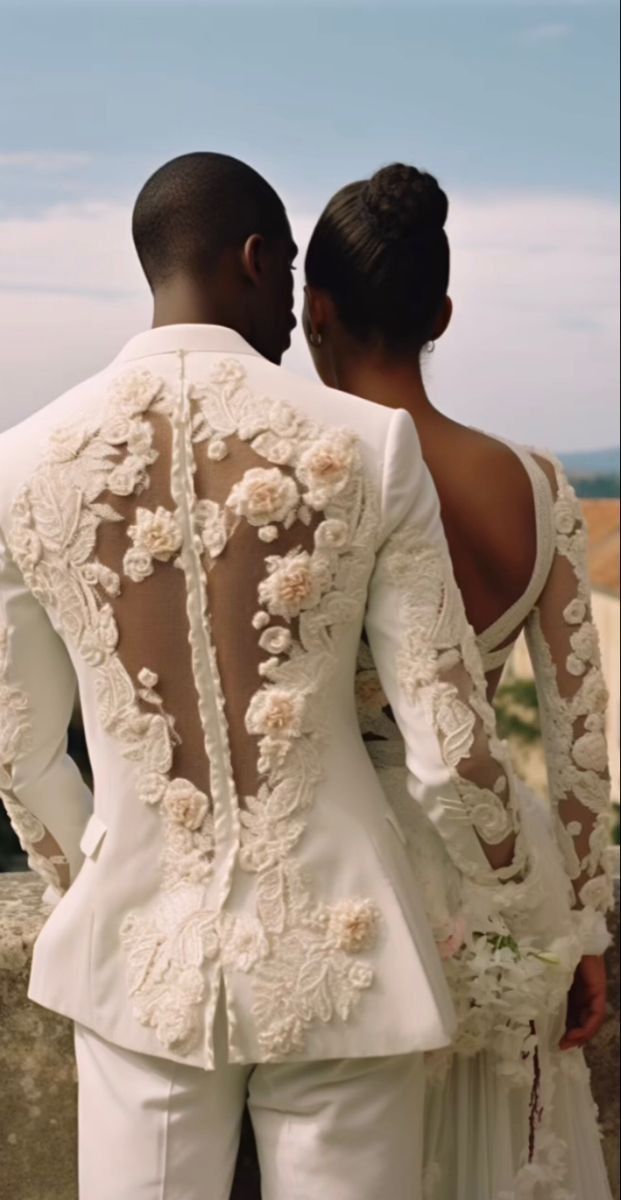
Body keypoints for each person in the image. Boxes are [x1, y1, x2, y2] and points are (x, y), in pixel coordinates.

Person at [0, 151, 536, 1200]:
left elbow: (19, 746)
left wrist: (96, 871)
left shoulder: (21, 462)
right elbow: (450, 745)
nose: (297, 309)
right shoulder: (373, 445)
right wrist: (521, 903)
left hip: (136, 959)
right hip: (343, 950)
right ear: (254, 260)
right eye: (288, 271)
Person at [302, 161, 615, 1199]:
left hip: (348, 876)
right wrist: (579, 928)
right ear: (442, 311)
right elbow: (580, 744)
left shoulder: (310, 485)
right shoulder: (538, 482)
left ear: (314, 310)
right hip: (513, 876)